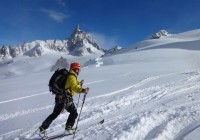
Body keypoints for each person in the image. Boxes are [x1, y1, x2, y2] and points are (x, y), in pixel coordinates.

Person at [39, 62, 89, 135]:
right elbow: (74, 87)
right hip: (66, 99)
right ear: (75, 70)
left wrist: (79, 83)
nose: (79, 71)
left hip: (59, 97)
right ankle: (69, 128)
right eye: (78, 69)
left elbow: (70, 84)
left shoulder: (69, 75)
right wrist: (83, 90)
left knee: (55, 114)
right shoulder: (72, 76)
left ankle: (42, 128)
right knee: (74, 113)